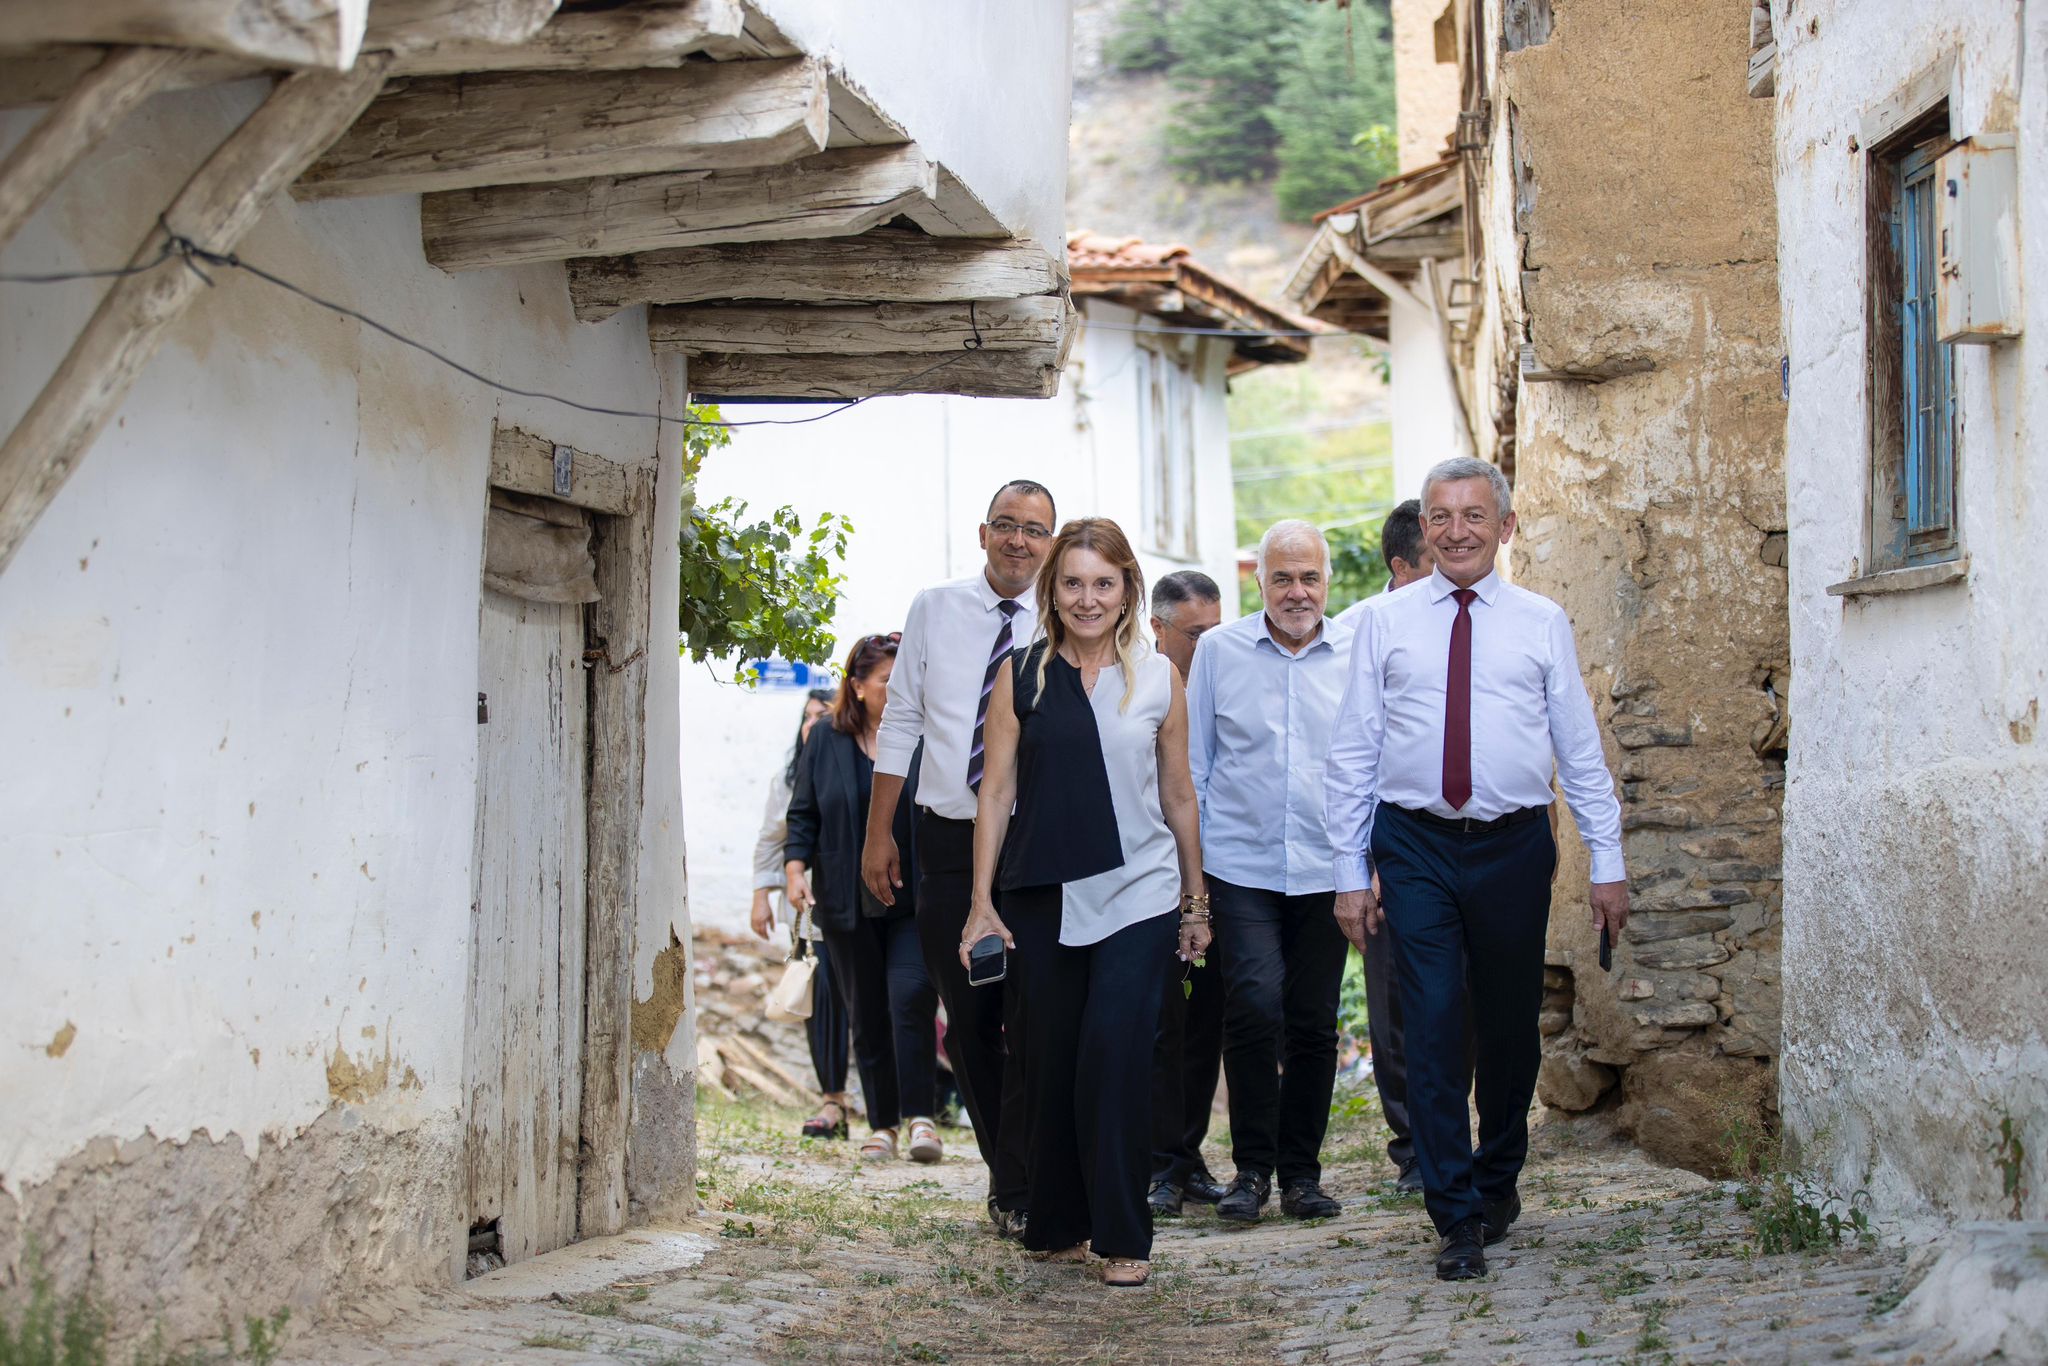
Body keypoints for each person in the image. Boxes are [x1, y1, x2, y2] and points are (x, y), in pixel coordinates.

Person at [1325, 456, 1629, 1281]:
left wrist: (1610, 861)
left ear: (1505, 526)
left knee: (1505, 1030)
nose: (1456, 531)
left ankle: (1498, 1179)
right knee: (1427, 1026)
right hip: (1413, 844)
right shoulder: (1383, 624)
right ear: (1423, 529)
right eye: (1440, 516)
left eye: (1473, 515)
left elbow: (1579, 749)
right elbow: (1353, 751)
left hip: (1512, 846)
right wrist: (1350, 872)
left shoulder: (1541, 622)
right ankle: (1453, 1216)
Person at [961, 517, 1210, 1289]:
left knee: (1115, 1053)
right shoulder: (1023, 674)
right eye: (1072, 582)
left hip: (1138, 890)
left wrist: (1194, 902)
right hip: (1044, 895)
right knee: (1053, 1057)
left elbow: (1178, 794)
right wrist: (980, 903)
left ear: (1128, 587)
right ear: (1053, 589)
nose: (1087, 597)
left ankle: (1124, 1236)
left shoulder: (1158, 675)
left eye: (1103, 582)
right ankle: (1060, 1223)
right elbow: (995, 790)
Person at [863, 480, 1057, 1235]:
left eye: (1034, 530)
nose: (1019, 541)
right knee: (971, 1021)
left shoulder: (1069, 615)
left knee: (1035, 1015)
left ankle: (1032, 1175)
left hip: (1035, 843)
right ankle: (1010, 1181)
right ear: (982, 534)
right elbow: (903, 721)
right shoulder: (935, 609)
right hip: (944, 836)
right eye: (1005, 526)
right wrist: (881, 833)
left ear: (1051, 538)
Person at [1188, 521, 1353, 1224]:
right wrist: (1191, 887)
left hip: (1325, 865)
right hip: (1241, 863)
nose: (1296, 592)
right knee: (1254, 1007)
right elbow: (1192, 769)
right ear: (1258, 582)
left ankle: (1302, 1176)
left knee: (1314, 1021)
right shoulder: (1218, 654)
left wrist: (1363, 870)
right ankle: (1251, 1170)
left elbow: (1368, 765)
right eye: (1282, 578)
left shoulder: (1355, 653)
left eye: (1308, 577)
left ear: (1327, 581)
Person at [786, 634, 944, 1164]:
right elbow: (803, 813)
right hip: (846, 902)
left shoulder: (926, 737)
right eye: (886, 682)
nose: (898, 692)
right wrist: (793, 871)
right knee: (867, 1013)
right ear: (857, 686)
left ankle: (921, 1118)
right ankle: (883, 1125)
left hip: (914, 901)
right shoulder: (824, 739)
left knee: (909, 1000)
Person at [1336, 500, 1435, 1191]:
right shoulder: (1349, 638)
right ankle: (1414, 1150)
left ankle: (1455, 1132)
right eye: (1436, 561)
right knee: (1396, 1004)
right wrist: (1361, 863)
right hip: (1387, 849)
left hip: (1463, 841)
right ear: (1402, 568)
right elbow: (1345, 758)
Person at [1144, 570, 1229, 1218]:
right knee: (1161, 1025)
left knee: (1205, 1025)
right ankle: (1158, 1162)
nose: (1208, 644)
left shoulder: (1227, 681)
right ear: (1158, 628)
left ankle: (1187, 1153)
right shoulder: (1141, 687)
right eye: (1195, 634)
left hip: (1221, 877)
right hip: (1153, 883)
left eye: (1215, 629)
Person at [749, 687, 852, 1139]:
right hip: (814, 906)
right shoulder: (787, 780)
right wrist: (762, 894)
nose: (814, 724)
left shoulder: (861, 765)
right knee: (823, 996)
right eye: (808, 716)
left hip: (867, 902)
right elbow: (773, 838)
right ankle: (833, 1101)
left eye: (824, 715)